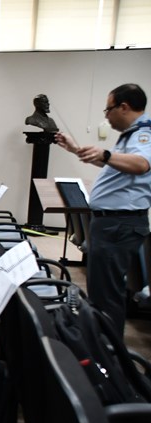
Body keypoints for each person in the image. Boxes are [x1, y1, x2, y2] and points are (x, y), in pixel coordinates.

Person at [55, 83, 151, 335]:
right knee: (101, 291)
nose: (106, 116)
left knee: (107, 295)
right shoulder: (130, 135)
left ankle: (108, 353)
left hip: (119, 224)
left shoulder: (145, 133)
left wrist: (106, 154)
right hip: (111, 223)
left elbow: (142, 164)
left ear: (124, 106)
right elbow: (115, 168)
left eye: (108, 110)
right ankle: (102, 343)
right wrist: (76, 149)